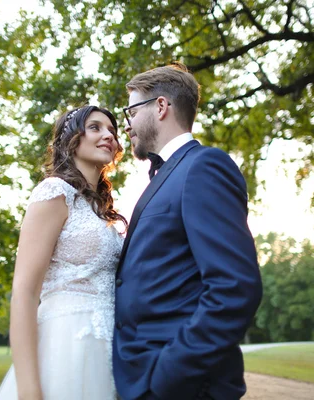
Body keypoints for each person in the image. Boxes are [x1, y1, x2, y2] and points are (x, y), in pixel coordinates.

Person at [113, 64, 263, 400]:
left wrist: (171, 372)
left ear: (161, 107)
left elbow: (234, 287)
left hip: (182, 385)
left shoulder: (204, 166)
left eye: (132, 111)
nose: (127, 124)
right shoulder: (166, 175)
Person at [0, 105, 126, 400]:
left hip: (107, 351)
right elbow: (25, 292)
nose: (108, 135)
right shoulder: (54, 192)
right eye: (95, 127)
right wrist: (29, 390)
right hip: (65, 347)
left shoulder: (101, 211)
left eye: (112, 131)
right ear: (72, 139)